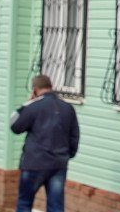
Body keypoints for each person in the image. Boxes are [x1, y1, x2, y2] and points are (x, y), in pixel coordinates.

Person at [9, 74, 80, 212]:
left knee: (24, 203)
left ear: (35, 90)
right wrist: (67, 155)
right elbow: (74, 136)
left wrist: (26, 104)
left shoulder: (33, 107)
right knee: (56, 206)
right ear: (51, 87)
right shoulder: (67, 108)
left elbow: (15, 126)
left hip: (34, 163)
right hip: (58, 164)